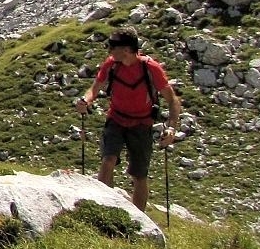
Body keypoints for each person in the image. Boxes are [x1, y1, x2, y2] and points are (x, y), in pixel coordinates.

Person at [74, 27, 182, 211]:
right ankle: (102, 209)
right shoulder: (111, 64)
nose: (109, 50)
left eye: (112, 46)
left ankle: (138, 218)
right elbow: (95, 88)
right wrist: (86, 100)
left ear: (126, 50)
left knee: (139, 174)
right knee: (108, 159)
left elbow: (172, 99)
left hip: (142, 123)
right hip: (116, 118)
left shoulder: (151, 68)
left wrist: (171, 128)